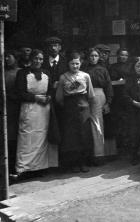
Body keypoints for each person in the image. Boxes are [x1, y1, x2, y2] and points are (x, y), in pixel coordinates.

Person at [14, 49, 58, 179]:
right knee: (27, 138)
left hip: (44, 110)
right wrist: (36, 98)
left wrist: (48, 97)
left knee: (42, 137)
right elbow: (20, 92)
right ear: (31, 59)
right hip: (29, 108)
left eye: (40, 59)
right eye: (36, 58)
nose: (38, 61)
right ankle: (23, 168)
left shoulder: (47, 73)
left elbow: (50, 89)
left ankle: (40, 167)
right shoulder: (22, 73)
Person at [56, 52, 94, 173]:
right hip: (69, 107)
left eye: (77, 63)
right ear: (68, 64)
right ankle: (73, 163)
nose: (75, 66)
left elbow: (91, 94)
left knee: (84, 134)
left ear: (80, 63)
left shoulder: (86, 76)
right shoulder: (63, 77)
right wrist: (68, 106)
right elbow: (59, 97)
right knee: (71, 136)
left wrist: (85, 106)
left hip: (83, 106)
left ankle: (83, 162)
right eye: (72, 63)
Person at [82, 48, 116, 164]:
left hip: (99, 96)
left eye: (96, 56)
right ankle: (88, 155)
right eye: (91, 56)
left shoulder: (103, 70)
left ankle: (99, 155)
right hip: (85, 97)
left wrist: (108, 103)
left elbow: (108, 87)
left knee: (98, 125)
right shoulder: (83, 70)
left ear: (99, 57)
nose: (93, 58)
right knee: (87, 124)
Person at [108, 48, 132, 150]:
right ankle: (119, 146)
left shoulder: (131, 66)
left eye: (125, 55)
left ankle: (128, 144)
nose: (123, 57)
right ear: (117, 55)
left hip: (128, 95)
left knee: (128, 120)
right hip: (117, 96)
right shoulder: (112, 67)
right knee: (118, 120)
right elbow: (111, 81)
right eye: (121, 55)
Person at [4, 50, 21, 173]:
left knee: (17, 136)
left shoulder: (20, 72)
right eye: (4, 57)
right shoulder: (3, 72)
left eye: (9, 56)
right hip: (7, 108)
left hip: (18, 107)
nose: (6, 59)